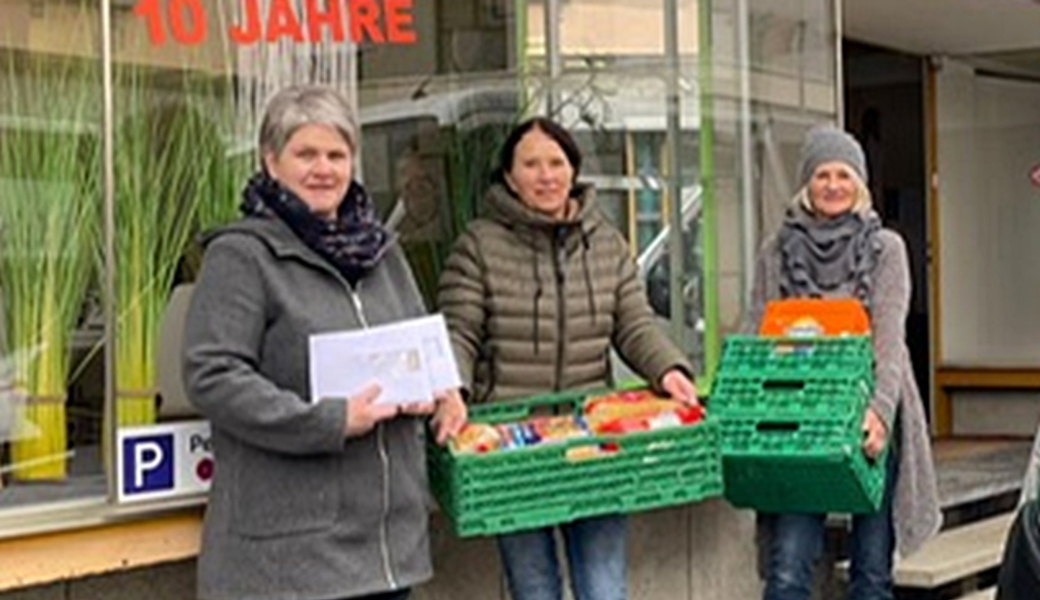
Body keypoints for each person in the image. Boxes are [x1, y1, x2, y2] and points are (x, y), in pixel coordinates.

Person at [182, 84, 467, 600]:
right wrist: (328, 421)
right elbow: (213, 376)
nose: (324, 169)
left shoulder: (382, 254)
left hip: (389, 549)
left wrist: (446, 391)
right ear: (271, 161)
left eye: (337, 155)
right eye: (306, 154)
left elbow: (419, 347)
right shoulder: (242, 256)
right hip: (292, 563)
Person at [437, 116, 698, 600]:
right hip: (513, 449)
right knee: (534, 588)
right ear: (509, 176)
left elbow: (635, 325)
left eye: (556, 163)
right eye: (531, 164)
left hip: (591, 443)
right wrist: (452, 389)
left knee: (604, 588)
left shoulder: (606, 243)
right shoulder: (478, 246)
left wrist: (670, 370)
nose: (546, 176)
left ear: (573, 170)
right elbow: (460, 332)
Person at [744, 125, 942, 600]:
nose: (833, 185)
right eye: (822, 175)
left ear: (860, 183)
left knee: (871, 572)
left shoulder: (885, 248)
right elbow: (756, 334)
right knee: (788, 569)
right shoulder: (776, 250)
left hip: (872, 417)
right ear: (806, 183)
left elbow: (889, 339)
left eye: (843, 175)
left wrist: (880, 413)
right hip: (800, 423)